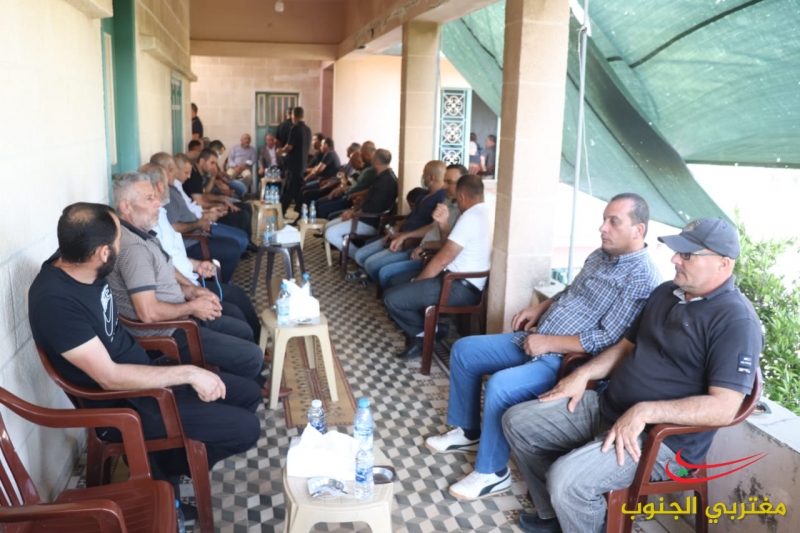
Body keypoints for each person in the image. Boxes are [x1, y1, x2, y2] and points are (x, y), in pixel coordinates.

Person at [503, 217, 763, 533]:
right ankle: (558, 517)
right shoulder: (666, 292)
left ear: (723, 263)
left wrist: (644, 411)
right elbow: (626, 347)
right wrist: (583, 375)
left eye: (687, 255)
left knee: (567, 480)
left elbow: (724, 408)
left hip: (662, 441)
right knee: (518, 422)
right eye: (677, 251)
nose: (675, 259)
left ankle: (580, 515)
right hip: (609, 406)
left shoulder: (736, 322)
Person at [424, 193, 662, 500]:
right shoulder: (600, 255)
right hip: (539, 340)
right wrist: (540, 308)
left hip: (569, 361)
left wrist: (548, 343)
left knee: (501, 386)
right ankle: (468, 431)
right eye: (604, 219)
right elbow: (570, 291)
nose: (602, 227)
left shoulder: (642, 278)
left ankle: (492, 473)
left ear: (638, 230)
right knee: (465, 350)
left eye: (613, 222)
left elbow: (607, 339)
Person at [28, 202, 261, 511]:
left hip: (145, 373)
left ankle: (163, 467)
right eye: (118, 241)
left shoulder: (75, 257)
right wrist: (190, 373)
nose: (122, 245)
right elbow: (110, 378)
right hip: (127, 403)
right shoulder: (55, 302)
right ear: (103, 253)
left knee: (248, 393)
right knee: (246, 429)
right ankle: (162, 475)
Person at [107, 172, 265, 387]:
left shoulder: (142, 234)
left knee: (242, 330)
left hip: (179, 315)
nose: (158, 203)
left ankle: (243, 382)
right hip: (169, 332)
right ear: (126, 206)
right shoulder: (134, 250)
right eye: (149, 198)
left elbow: (164, 274)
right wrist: (192, 306)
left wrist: (192, 291)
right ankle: (244, 387)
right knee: (251, 355)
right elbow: (148, 313)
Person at [383, 174, 491, 360]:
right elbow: (448, 245)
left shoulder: (470, 218)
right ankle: (431, 330)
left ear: (462, 196)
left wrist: (419, 281)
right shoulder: (484, 212)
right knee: (395, 281)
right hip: (457, 281)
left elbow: (443, 258)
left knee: (391, 299)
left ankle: (424, 335)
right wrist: (442, 224)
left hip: (458, 287)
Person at [346, 160, 447, 284]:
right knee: (361, 254)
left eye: (424, 174)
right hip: (400, 235)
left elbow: (432, 228)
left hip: (411, 242)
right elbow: (411, 216)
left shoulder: (441, 199)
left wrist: (405, 236)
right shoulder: (424, 194)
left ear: (431, 178)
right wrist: (397, 227)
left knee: (369, 262)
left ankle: (371, 277)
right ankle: (366, 273)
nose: (422, 177)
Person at [379, 164, 467, 288]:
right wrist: (405, 235)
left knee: (385, 273)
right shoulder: (447, 201)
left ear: (463, 185)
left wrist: (424, 246)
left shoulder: (464, 213)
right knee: (377, 266)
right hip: (418, 247)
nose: (444, 186)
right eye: (444, 181)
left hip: (429, 256)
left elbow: (448, 247)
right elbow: (431, 226)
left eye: (449, 182)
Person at [323, 148, 397, 256]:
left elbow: (373, 207)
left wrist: (353, 213)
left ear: (376, 162)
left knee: (330, 234)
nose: (371, 161)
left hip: (370, 222)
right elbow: (370, 196)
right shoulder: (383, 176)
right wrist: (355, 208)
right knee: (328, 226)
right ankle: (357, 255)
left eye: (373, 159)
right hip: (363, 216)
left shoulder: (386, 181)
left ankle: (357, 256)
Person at [277, 107, 312, 217]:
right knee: (298, 191)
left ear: (293, 116)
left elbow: (289, 147)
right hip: (302, 165)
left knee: (288, 189)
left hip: (293, 165)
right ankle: (301, 213)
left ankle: (281, 212)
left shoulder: (295, 129)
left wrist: (281, 150)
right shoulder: (308, 130)